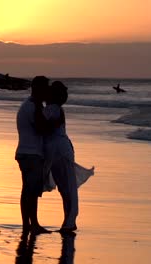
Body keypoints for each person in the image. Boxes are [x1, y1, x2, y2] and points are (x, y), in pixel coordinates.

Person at [42, 81, 94, 232]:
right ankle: (68, 220)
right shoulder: (54, 109)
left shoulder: (53, 110)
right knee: (66, 188)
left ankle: (69, 221)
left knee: (67, 188)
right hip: (59, 150)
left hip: (59, 150)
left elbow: (44, 128)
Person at [15, 76, 52, 234]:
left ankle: (29, 224)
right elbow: (42, 128)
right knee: (31, 191)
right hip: (31, 154)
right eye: (45, 89)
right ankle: (32, 224)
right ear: (38, 89)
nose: (47, 92)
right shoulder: (33, 107)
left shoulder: (27, 105)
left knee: (28, 190)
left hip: (25, 152)